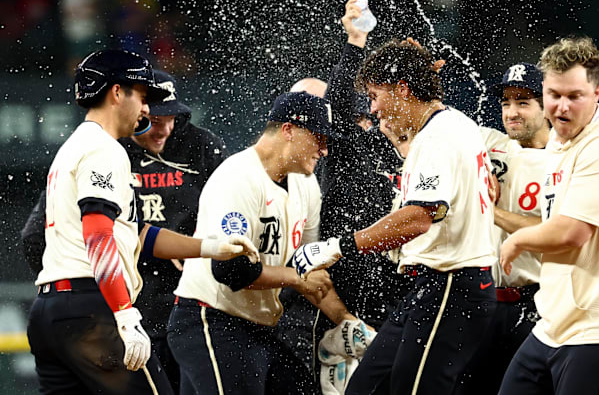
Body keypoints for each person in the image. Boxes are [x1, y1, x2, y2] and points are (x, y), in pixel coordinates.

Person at [26, 49, 257, 395]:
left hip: (50, 312)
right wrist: (123, 312)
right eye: (142, 96)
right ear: (117, 93)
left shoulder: (73, 146)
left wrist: (211, 248)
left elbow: (135, 234)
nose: (147, 109)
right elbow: (99, 236)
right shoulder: (105, 149)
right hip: (95, 308)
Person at [290, 39, 498, 395]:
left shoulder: (437, 137)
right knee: (365, 387)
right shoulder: (456, 123)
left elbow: (418, 218)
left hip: (449, 286)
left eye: (374, 95)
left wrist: (338, 247)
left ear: (402, 89)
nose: (372, 108)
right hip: (435, 286)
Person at [498, 36, 599, 395]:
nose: (562, 106)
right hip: (554, 326)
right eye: (554, 95)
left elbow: (571, 232)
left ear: (597, 93)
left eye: (575, 96)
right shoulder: (557, 143)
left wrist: (518, 238)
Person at [168, 91, 355, 395]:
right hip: (211, 319)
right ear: (289, 130)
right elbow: (231, 272)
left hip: (260, 327)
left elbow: (309, 267)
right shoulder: (238, 177)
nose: (324, 150)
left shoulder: (306, 184)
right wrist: (296, 279)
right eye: (319, 138)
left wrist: (348, 323)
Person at [276, 0, 411, 383]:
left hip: (388, 273)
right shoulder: (339, 146)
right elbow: (336, 102)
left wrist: (416, 80)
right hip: (341, 275)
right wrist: (356, 39)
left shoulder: (399, 145)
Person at [119, 68, 227, 392]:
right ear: (137, 112)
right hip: (132, 310)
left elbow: (233, 209)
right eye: (155, 117)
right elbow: (38, 235)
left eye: (172, 116)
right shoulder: (111, 151)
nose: (164, 127)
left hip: (196, 307)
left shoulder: (203, 145)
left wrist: (203, 240)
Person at [454, 63, 550, 395]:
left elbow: (553, 231)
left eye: (523, 101)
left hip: (536, 303)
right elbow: (432, 127)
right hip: (483, 301)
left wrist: (490, 210)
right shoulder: (487, 141)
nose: (511, 111)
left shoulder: (564, 160)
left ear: (547, 104)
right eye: (506, 102)